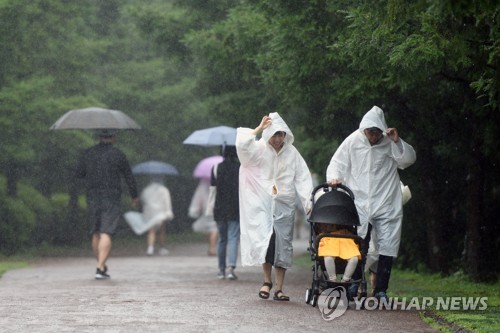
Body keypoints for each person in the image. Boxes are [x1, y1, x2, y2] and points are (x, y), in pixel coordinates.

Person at [326, 105, 416, 301]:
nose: (373, 136)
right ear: (363, 129)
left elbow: (408, 160)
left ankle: (381, 290)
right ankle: (354, 284)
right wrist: (334, 178)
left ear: (382, 130)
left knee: (387, 246)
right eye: (370, 132)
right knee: (358, 244)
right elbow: (337, 163)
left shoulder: (390, 142)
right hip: (360, 201)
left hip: (386, 201)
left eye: (376, 132)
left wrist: (397, 141)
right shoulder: (353, 141)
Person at [236, 113, 313, 301]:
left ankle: (279, 288)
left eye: (281, 135)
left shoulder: (292, 153)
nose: (278, 139)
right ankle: (266, 281)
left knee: (284, 245)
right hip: (264, 204)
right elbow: (242, 147)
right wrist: (258, 129)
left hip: (285, 203)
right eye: (274, 135)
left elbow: (303, 177)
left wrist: (307, 201)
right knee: (267, 242)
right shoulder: (259, 149)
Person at [75, 129, 139, 280]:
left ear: (99, 137)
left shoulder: (88, 153)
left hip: (92, 196)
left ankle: (101, 266)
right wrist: (134, 195)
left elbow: (78, 174)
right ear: (113, 138)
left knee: (95, 231)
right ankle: (100, 267)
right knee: (107, 232)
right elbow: (129, 177)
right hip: (111, 196)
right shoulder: (118, 155)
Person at [211, 146, 240, 280]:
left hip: (219, 207)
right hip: (235, 207)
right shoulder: (240, 168)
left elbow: (212, 190)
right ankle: (231, 268)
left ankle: (221, 269)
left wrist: (211, 208)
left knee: (222, 239)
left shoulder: (216, 168)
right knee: (233, 237)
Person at [140, 178, 174, 256]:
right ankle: (161, 248)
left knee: (151, 230)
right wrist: (168, 212)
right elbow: (167, 202)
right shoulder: (164, 190)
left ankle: (150, 248)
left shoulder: (146, 189)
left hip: (149, 212)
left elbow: (143, 199)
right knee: (162, 230)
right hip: (160, 213)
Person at [188, 177, 218, 255]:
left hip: (206, 210)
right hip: (216, 209)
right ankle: (212, 248)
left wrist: (196, 209)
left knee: (211, 229)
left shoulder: (202, 186)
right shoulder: (219, 182)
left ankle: (211, 247)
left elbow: (198, 198)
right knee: (214, 228)